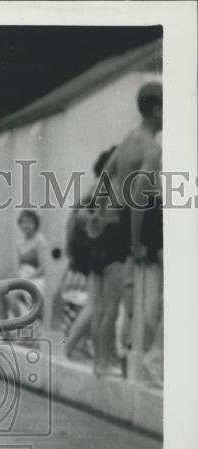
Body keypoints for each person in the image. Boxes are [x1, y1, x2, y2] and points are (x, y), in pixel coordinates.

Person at [87, 81, 162, 378]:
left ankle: (103, 362)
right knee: (126, 304)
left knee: (105, 304)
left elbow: (106, 174)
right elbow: (138, 199)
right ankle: (118, 364)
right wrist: (134, 240)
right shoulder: (152, 148)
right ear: (157, 110)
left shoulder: (129, 138)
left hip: (109, 223)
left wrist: (97, 210)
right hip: (126, 228)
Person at [63, 146, 116, 360]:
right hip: (96, 249)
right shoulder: (103, 186)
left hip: (86, 248)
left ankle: (83, 345)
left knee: (96, 303)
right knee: (97, 304)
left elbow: (74, 217)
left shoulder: (96, 186)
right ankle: (72, 346)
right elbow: (82, 215)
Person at [5, 209, 47, 337]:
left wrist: (27, 278)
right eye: (23, 223)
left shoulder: (40, 240)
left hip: (37, 278)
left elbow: (43, 268)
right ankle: (11, 330)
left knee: (12, 295)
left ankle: (22, 328)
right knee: (4, 293)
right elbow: (17, 267)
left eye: (30, 222)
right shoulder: (19, 242)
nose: (26, 226)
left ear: (35, 224)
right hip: (23, 277)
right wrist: (18, 277)